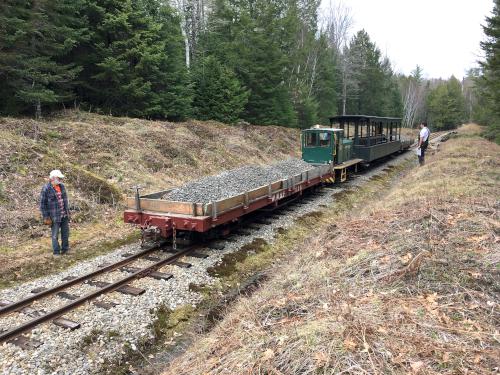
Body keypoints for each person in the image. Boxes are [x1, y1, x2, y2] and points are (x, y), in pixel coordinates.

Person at [40, 170, 70, 255]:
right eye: (59, 178)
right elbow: (42, 205)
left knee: (65, 234)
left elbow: (65, 201)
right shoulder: (46, 188)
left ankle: (65, 249)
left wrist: (68, 212)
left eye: (60, 178)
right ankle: (56, 252)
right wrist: (46, 217)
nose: (60, 179)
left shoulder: (62, 186)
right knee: (55, 235)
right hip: (54, 217)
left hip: (64, 215)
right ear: (53, 178)